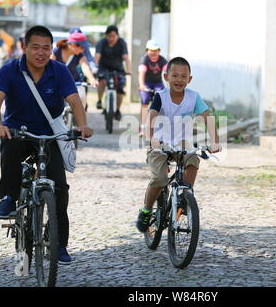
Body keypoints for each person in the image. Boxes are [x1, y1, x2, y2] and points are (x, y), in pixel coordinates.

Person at [0, 25, 93, 264]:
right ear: (24, 48)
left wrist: (83, 125)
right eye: (35, 47)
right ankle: (10, 196)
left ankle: (60, 244)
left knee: (59, 190)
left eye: (46, 48)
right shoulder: (9, 71)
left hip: (50, 134)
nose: (41, 52)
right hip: (19, 130)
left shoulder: (59, 71)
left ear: (52, 49)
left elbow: (75, 101)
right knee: (9, 145)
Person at [136, 57, 222, 233]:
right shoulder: (160, 97)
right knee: (159, 179)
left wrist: (215, 141)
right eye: (175, 75)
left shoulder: (193, 97)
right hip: (160, 142)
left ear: (190, 79)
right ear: (166, 76)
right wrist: (151, 137)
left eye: (184, 76)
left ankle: (185, 196)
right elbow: (151, 117)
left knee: (193, 159)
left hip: (182, 143)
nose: (179, 80)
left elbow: (208, 118)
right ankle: (146, 210)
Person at [94, 25, 132, 121]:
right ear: (106, 36)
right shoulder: (101, 43)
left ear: (117, 36)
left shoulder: (122, 43)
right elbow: (97, 56)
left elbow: (126, 58)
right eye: (109, 36)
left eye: (114, 36)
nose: (111, 38)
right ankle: (99, 100)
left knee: (120, 88)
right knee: (101, 80)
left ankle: (118, 110)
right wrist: (94, 67)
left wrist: (129, 70)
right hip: (103, 68)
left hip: (118, 69)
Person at [51, 32, 98, 108]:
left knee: (82, 98)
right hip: (57, 82)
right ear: (73, 45)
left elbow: (85, 67)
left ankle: (80, 119)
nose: (83, 50)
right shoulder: (56, 51)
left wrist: (92, 79)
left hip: (75, 83)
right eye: (81, 47)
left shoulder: (80, 56)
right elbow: (49, 67)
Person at [138, 40, 168, 137]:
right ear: (147, 51)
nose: (153, 53)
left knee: (162, 100)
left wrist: (169, 85)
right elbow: (141, 74)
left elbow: (167, 72)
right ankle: (142, 127)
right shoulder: (144, 59)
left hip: (158, 83)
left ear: (159, 51)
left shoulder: (163, 60)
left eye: (155, 50)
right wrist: (142, 85)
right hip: (146, 83)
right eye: (151, 50)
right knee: (145, 101)